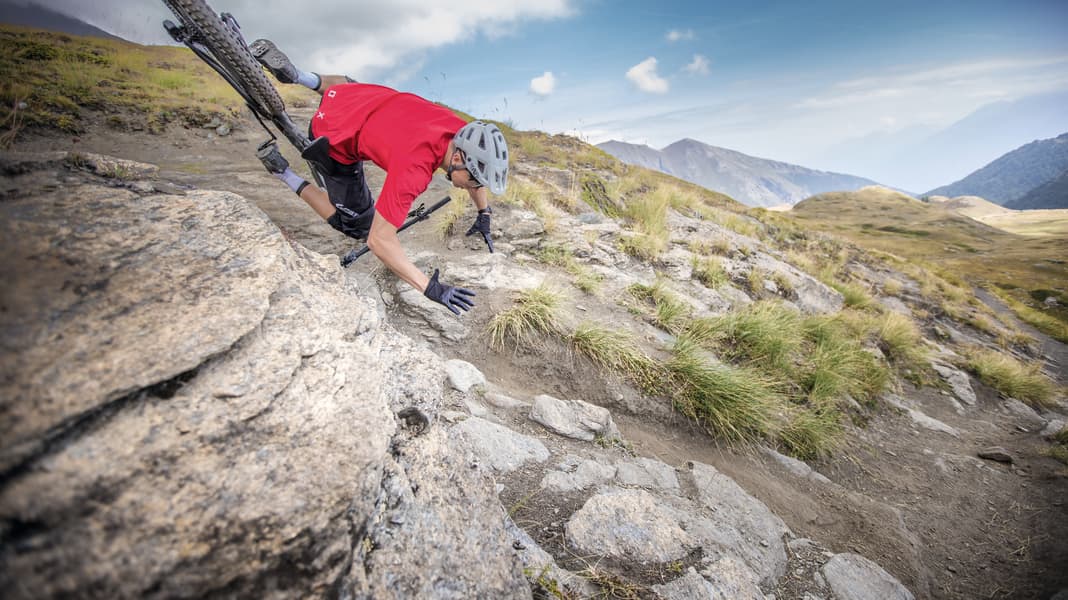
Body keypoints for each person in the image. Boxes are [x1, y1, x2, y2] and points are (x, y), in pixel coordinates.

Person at [249, 39, 509, 316]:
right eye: (475, 182)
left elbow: (474, 167)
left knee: (353, 84)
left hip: (352, 96)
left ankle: (298, 75)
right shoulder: (414, 172)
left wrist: (484, 213)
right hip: (331, 135)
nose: (475, 187)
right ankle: (282, 171)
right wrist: (430, 288)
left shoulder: (460, 131)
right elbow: (379, 241)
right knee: (357, 225)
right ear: (457, 159)